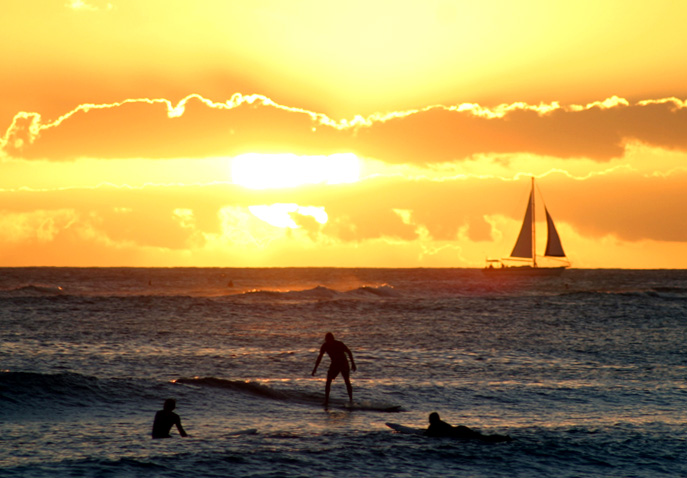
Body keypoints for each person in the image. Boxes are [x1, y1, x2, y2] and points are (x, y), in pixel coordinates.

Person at [311, 332, 357, 407]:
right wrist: (315, 368)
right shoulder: (325, 346)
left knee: (347, 381)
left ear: (333, 339)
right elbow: (320, 357)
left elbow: (348, 352)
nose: (329, 341)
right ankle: (326, 401)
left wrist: (353, 363)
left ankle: (351, 400)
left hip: (343, 363)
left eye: (330, 340)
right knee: (328, 381)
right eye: (328, 340)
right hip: (334, 364)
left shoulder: (339, 344)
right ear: (326, 340)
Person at [424, 412, 511, 442]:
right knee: (482, 437)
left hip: (459, 432)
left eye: (430, 419)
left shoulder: (434, 426)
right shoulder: (442, 423)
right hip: (460, 429)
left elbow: (426, 434)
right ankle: (503, 438)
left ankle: (503, 438)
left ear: (432, 419)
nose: (429, 421)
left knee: (482, 438)